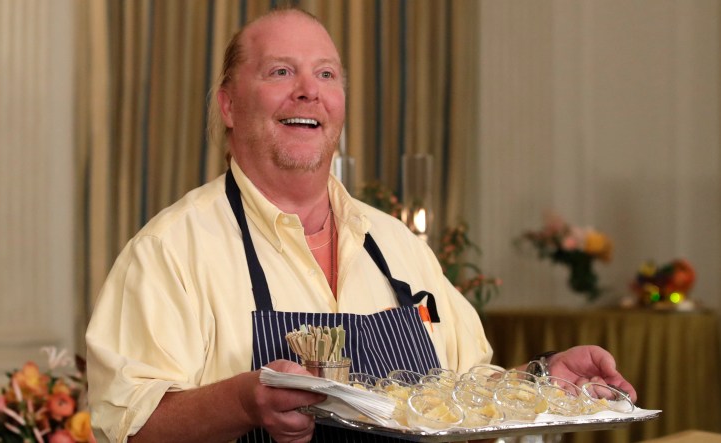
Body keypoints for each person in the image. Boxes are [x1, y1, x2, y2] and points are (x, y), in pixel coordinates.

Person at [85, 7, 637, 443]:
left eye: (325, 74)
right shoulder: (169, 250)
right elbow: (130, 427)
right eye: (281, 72)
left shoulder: (396, 243)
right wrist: (244, 402)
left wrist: (541, 383)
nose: (309, 90)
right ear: (229, 105)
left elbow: (463, 393)